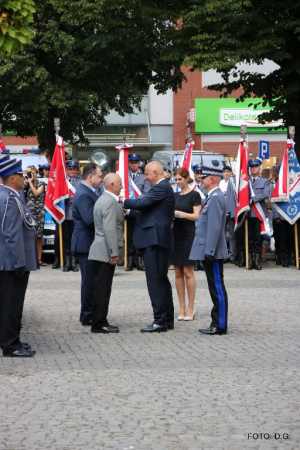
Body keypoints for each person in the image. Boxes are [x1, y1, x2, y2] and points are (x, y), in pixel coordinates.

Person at [120, 161, 175, 333]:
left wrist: (123, 200)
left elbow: (141, 203)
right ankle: (167, 319)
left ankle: (159, 320)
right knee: (161, 279)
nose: (145, 177)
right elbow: (148, 211)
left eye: (147, 174)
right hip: (156, 240)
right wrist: (128, 211)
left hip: (155, 241)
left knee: (155, 281)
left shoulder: (161, 187)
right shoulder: (161, 188)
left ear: (156, 173)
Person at [0, 158, 38, 357]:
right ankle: (10, 345)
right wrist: (19, 262)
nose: (25, 178)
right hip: (12, 262)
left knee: (10, 304)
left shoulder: (11, 195)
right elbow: (11, 233)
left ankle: (11, 339)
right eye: (22, 176)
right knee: (11, 305)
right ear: (12, 178)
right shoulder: (9, 198)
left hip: (9, 261)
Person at [190, 165, 228, 335]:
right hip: (210, 250)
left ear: (211, 179)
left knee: (217, 288)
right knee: (215, 287)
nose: (200, 179)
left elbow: (214, 228)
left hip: (212, 252)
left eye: (203, 177)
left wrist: (209, 251)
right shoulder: (211, 197)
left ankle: (219, 325)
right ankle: (217, 322)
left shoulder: (215, 197)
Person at [88, 174, 124, 333]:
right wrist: (114, 253)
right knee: (102, 289)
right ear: (111, 185)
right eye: (120, 184)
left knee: (100, 288)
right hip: (105, 251)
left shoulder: (103, 199)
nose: (121, 187)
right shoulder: (109, 202)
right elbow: (109, 229)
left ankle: (99, 320)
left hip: (100, 249)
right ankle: (99, 323)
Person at [71, 163, 103, 326]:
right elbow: (90, 220)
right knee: (89, 280)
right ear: (90, 177)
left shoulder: (90, 192)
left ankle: (90, 312)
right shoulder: (84, 194)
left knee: (92, 280)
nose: (101, 179)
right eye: (99, 176)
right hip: (85, 242)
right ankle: (87, 314)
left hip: (89, 242)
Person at [169, 167, 201, 321]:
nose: (178, 182)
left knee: (188, 272)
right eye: (176, 180)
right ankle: (181, 306)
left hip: (188, 234)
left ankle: (191, 306)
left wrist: (181, 214)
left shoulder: (194, 195)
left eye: (180, 179)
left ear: (187, 178)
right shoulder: (174, 196)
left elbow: (197, 216)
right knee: (177, 272)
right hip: (176, 234)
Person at [52, 160, 81, 271]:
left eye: (74, 169)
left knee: (74, 238)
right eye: (70, 169)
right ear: (67, 170)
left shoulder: (79, 182)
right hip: (64, 213)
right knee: (65, 238)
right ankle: (66, 260)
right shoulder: (62, 181)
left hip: (74, 213)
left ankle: (73, 261)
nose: (72, 171)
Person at [125, 153, 150, 271]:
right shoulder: (125, 177)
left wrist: (134, 202)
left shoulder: (143, 177)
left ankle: (139, 259)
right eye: (131, 162)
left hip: (139, 210)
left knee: (139, 235)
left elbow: (145, 194)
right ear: (128, 163)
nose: (134, 165)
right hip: (128, 210)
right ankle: (130, 259)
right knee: (129, 235)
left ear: (138, 164)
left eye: (136, 162)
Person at [247, 159, 269, 270]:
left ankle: (257, 261)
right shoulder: (246, 181)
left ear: (259, 168)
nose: (254, 168)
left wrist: (252, 199)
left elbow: (266, 194)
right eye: (252, 166)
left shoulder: (264, 180)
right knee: (249, 238)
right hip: (248, 213)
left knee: (258, 238)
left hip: (259, 214)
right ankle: (250, 260)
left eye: (256, 166)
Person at [24, 165, 47, 266]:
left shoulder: (41, 183)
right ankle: (31, 258)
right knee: (29, 236)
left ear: (37, 174)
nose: (32, 175)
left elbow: (36, 193)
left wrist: (30, 182)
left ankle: (39, 258)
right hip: (29, 214)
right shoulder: (26, 184)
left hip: (39, 213)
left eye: (34, 173)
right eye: (31, 173)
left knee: (38, 236)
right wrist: (25, 173)